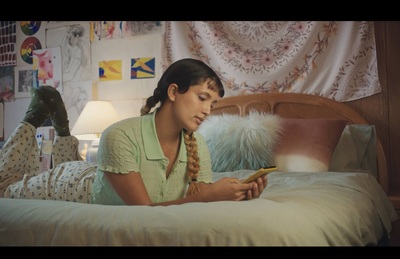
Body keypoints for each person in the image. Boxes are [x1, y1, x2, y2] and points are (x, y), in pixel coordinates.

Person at [0, 58, 268, 206]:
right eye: (202, 98)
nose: (208, 110)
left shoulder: (198, 144)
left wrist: (235, 194)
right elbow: (144, 213)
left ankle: (62, 133)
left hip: (106, 175)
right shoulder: (119, 135)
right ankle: (32, 120)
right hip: (70, 184)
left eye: (213, 103)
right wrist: (211, 196)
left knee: (69, 161)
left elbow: (199, 198)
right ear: (174, 92)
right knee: (6, 187)